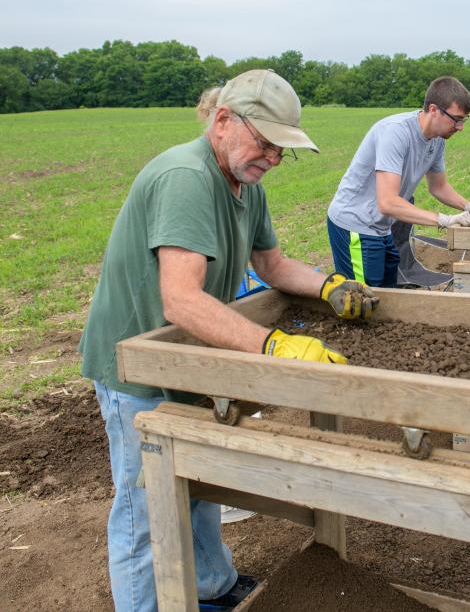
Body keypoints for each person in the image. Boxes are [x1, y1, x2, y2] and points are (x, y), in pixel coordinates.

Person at [79, 69, 378, 611]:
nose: (273, 158)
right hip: (139, 361)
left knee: (195, 475)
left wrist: (330, 285)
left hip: (190, 355)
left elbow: (273, 263)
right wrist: (275, 345)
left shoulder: (245, 182)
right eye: (266, 143)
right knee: (143, 506)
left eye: (281, 150)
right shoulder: (186, 178)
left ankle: (212, 586)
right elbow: (182, 300)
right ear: (223, 122)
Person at [325, 76, 470, 287]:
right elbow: (387, 202)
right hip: (356, 224)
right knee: (361, 300)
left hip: (382, 226)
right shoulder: (396, 133)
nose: (460, 127)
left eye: (464, 120)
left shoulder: (437, 140)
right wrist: (444, 220)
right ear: (434, 109)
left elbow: (439, 186)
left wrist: (469, 207)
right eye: (456, 119)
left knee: (388, 296)